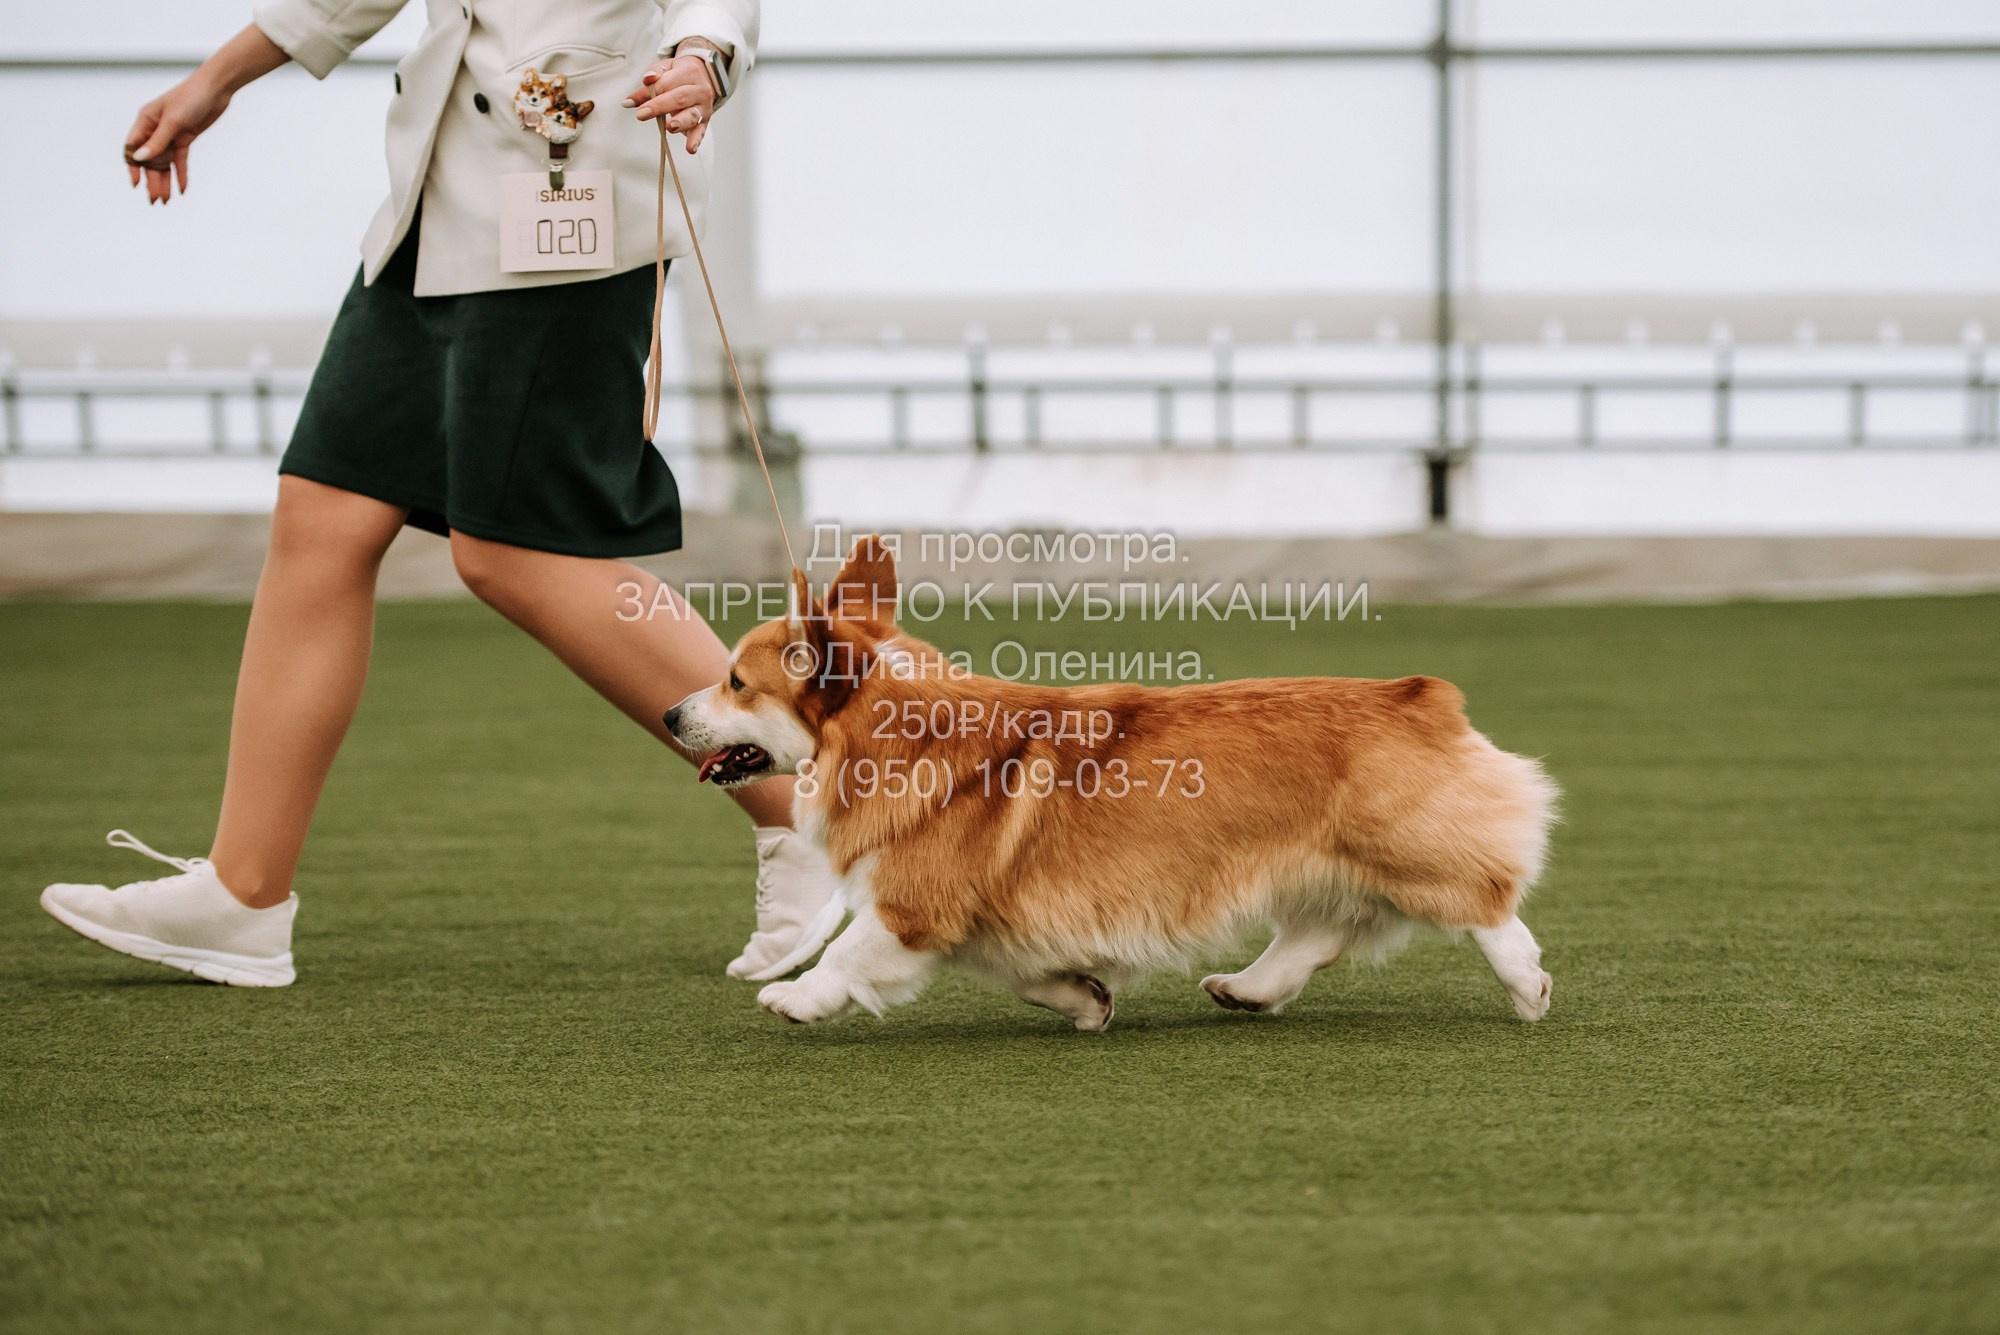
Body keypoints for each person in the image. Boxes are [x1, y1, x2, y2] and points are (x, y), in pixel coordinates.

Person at [38, 0, 842, 988]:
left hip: (573, 205)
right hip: (429, 209)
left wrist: (707, 54)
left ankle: (812, 818)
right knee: (324, 512)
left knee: (510, 553)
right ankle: (242, 897)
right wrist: (221, 76)